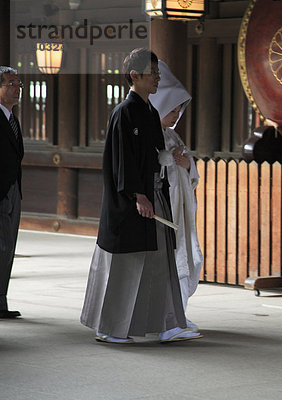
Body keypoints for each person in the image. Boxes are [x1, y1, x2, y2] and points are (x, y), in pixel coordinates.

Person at [80, 48, 202, 344]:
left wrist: (166, 160)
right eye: (153, 74)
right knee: (127, 263)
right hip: (132, 201)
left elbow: (152, 155)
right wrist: (138, 195)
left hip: (154, 193)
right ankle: (109, 327)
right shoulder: (124, 112)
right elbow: (123, 160)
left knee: (162, 261)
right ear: (135, 76)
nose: (158, 79)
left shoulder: (150, 112)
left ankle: (167, 323)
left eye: (158, 74)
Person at [149, 60, 203, 332]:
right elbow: (148, 166)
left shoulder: (172, 135)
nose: (176, 113)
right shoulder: (149, 135)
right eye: (172, 108)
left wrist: (186, 164)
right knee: (168, 261)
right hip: (163, 208)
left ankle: (179, 313)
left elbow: (190, 169)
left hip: (181, 208)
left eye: (179, 109)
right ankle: (165, 316)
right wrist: (170, 160)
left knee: (185, 257)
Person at [0, 66, 24, 319]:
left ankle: (1, 301)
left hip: (14, 189)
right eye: (11, 84)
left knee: (8, 248)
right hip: (2, 189)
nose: (17, 89)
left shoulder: (12, 117)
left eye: (19, 85)